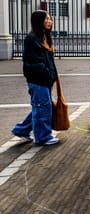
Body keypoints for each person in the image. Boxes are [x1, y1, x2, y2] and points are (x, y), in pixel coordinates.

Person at [11, 10, 60, 146]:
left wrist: (52, 75)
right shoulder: (32, 39)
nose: (49, 21)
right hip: (38, 80)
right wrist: (45, 73)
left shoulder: (43, 37)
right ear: (39, 21)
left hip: (44, 79)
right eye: (46, 19)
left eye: (50, 19)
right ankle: (42, 137)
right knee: (42, 107)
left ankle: (21, 130)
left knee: (40, 106)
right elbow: (33, 62)